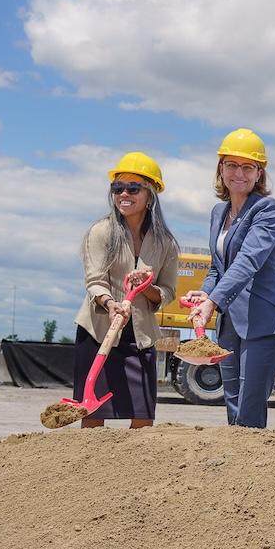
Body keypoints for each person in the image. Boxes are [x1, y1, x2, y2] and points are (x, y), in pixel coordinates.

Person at [182, 128, 275, 428]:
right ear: (221, 169)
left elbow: (248, 262)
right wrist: (206, 294)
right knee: (231, 403)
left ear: (260, 173)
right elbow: (217, 268)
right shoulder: (218, 213)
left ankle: (254, 472)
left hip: (264, 322)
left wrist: (213, 302)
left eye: (248, 167)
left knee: (249, 405)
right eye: (231, 165)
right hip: (231, 322)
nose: (239, 173)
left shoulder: (267, 210)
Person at [72, 152, 180, 428]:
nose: (124, 194)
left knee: (143, 419)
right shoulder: (100, 232)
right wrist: (110, 304)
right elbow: (94, 280)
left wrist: (147, 288)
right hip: (98, 333)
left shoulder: (165, 243)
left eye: (133, 188)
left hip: (140, 337)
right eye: (117, 188)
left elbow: (167, 292)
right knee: (93, 417)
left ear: (150, 195)